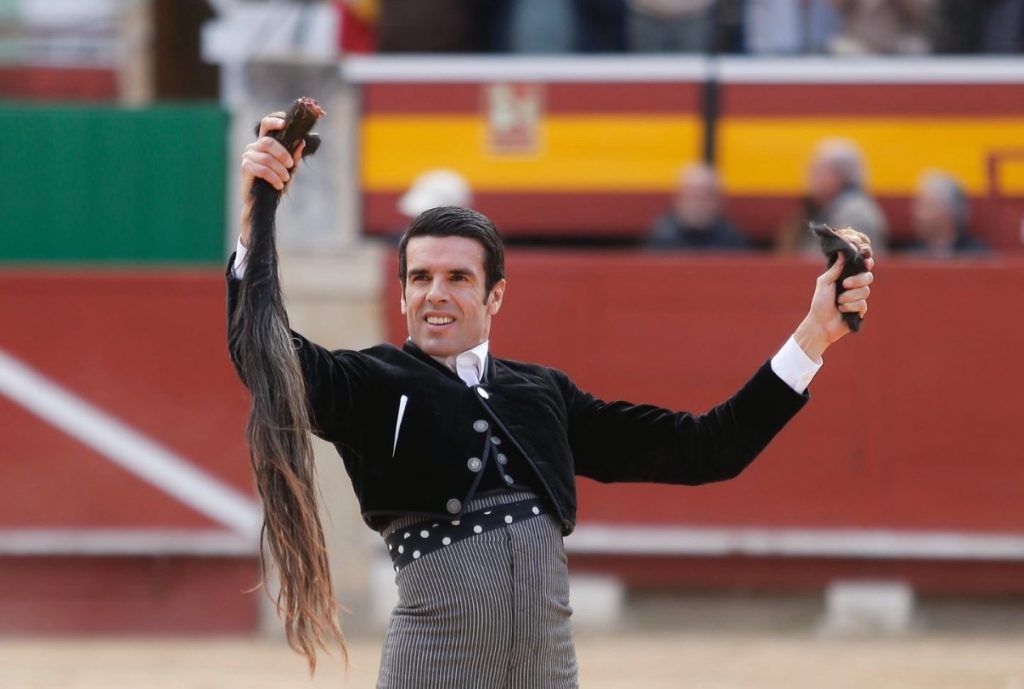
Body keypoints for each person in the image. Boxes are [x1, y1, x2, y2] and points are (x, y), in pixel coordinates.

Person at [230, 113, 875, 688]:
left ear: (496, 295)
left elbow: (709, 448)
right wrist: (260, 210)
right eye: (420, 278)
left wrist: (814, 336)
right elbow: (264, 354)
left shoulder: (543, 394)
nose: (436, 294)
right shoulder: (371, 384)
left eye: (458, 277)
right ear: (400, 295)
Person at [777, 138, 888, 254]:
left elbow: (835, 259)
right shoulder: (824, 208)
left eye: (819, 172)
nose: (812, 180)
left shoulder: (856, 213)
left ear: (842, 175)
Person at [646, 162, 749, 251]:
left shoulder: (731, 241)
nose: (698, 203)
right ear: (678, 199)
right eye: (692, 195)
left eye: (706, 196)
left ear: (719, 201)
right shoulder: (660, 240)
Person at [907, 171, 990, 257]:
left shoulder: (977, 257)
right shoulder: (910, 255)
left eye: (927, 206)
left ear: (948, 212)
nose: (918, 214)